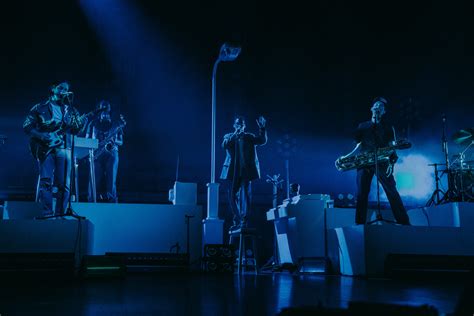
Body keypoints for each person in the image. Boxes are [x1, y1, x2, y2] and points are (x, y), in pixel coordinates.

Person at [337, 97, 410, 225]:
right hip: (364, 162)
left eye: (381, 106)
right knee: (361, 194)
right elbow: (357, 145)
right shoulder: (362, 126)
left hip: (382, 162)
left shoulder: (388, 127)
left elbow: (392, 147)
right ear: (371, 109)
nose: (378, 107)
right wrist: (345, 156)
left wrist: (391, 164)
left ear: (384, 111)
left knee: (391, 190)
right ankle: (360, 225)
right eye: (376, 105)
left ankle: (404, 222)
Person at [23, 82, 89, 216]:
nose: (64, 90)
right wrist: (41, 135)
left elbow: (75, 131)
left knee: (64, 184)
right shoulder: (39, 107)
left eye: (66, 89)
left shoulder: (71, 110)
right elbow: (27, 126)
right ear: (53, 89)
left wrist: (83, 124)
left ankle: (61, 214)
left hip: (64, 148)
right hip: (45, 148)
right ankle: (47, 213)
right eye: (61, 88)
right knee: (46, 181)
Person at [220, 116, 267, 230]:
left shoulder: (248, 137)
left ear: (244, 126)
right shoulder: (229, 136)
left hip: (246, 171)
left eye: (241, 125)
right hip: (233, 172)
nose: (239, 126)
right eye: (237, 124)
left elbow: (262, 141)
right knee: (232, 195)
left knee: (246, 195)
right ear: (234, 125)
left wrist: (262, 128)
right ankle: (237, 217)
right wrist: (235, 135)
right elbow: (224, 145)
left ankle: (244, 219)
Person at [86, 100, 124, 203]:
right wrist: (96, 145)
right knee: (94, 180)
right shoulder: (92, 124)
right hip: (96, 154)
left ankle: (112, 202)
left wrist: (113, 140)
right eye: (102, 108)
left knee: (111, 180)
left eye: (107, 108)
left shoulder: (116, 124)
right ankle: (91, 201)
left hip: (111, 153)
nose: (105, 110)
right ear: (99, 109)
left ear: (110, 109)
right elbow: (86, 140)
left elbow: (121, 142)